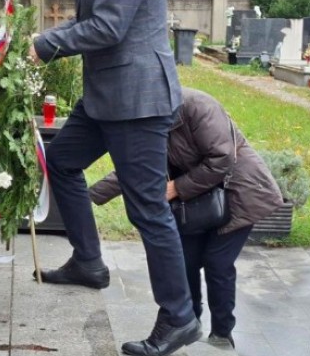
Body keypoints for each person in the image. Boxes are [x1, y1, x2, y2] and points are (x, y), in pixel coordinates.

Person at [27, 0, 200, 355]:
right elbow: (96, 18)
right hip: (108, 95)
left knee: (147, 208)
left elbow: (107, 26)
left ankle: (180, 317)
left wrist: (44, 45)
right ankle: (88, 262)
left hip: (136, 102)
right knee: (62, 161)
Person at [89, 87, 284, 349]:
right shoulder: (150, 119)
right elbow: (135, 166)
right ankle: (187, 323)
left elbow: (222, 158)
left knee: (217, 263)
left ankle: (222, 333)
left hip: (240, 194)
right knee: (184, 260)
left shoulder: (198, 106)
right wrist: (87, 196)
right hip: (198, 200)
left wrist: (176, 188)